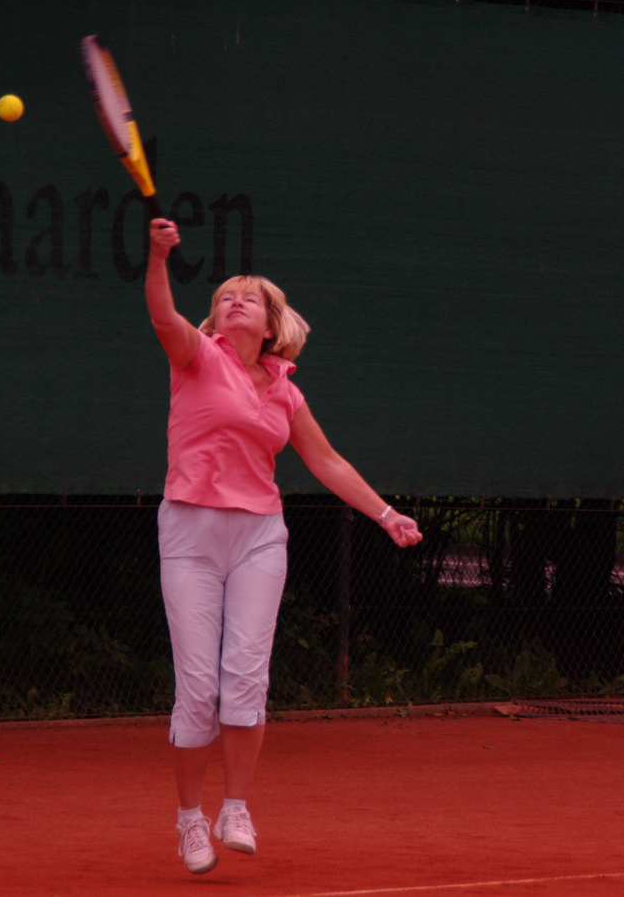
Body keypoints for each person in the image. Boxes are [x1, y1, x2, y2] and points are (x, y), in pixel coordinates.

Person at [144, 217, 423, 875]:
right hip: (190, 531)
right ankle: (189, 819)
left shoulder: (285, 390)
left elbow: (326, 461)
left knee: (246, 677)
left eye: (250, 297)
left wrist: (386, 514)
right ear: (214, 317)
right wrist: (158, 257)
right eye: (225, 297)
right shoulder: (195, 356)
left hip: (260, 536)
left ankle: (234, 807)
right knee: (198, 688)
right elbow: (161, 314)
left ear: (270, 324)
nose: (235, 302)